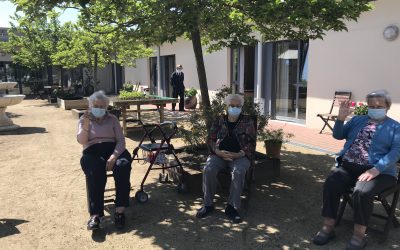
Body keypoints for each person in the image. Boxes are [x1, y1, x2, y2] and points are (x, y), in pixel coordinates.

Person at [313, 90, 400, 249]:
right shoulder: (357, 120)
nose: (375, 108)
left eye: (379, 106)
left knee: (362, 192)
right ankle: (328, 227)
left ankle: (359, 235)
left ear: (387, 106)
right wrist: (340, 118)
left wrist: (375, 170)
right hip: (348, 167)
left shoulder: (395, 127)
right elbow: (338, 135)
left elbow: (396, 152)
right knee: (331, 182)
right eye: (371, 105)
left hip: (380, 172)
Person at [196, 94, 256, 223]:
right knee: (208, 169)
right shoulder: (219, 120)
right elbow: (211, 139)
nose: (234, 108)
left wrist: (239, 154)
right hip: (219, 154)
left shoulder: (248, 122)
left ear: (241, 107)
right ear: (226, 106)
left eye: (237, 106)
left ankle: (231, 207)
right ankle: (208, 205)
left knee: (238, 172)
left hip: (240, 156)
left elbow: (251, 143)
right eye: (231, 105)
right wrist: (218, 151)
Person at [77, 91, 132, 230]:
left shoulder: (112, 119)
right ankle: (95, 215)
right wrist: (87, 124)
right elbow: (81, 141)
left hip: (114, 149)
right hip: (92, 152)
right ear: (90, 106)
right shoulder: (84, 119)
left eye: (102, 106)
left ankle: (120, 211)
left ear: (106, 107)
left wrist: (114, 156)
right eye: (96, 106)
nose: (99, 109)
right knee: (95, 172)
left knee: (123, 166)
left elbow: (121, 140)